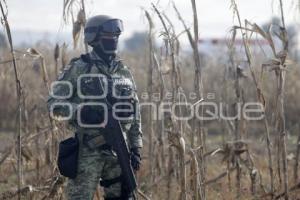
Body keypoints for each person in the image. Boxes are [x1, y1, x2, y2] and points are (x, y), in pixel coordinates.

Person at [47, 15, 143, 200]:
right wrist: (80, 111)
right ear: (94, 37)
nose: (114, 39)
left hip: (119, 152)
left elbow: (135, 112)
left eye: (116, 35)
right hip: (87, 152)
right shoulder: (80, 68)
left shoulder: (124, 71)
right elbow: (54, 104)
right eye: (108, 34)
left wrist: (136, 148)